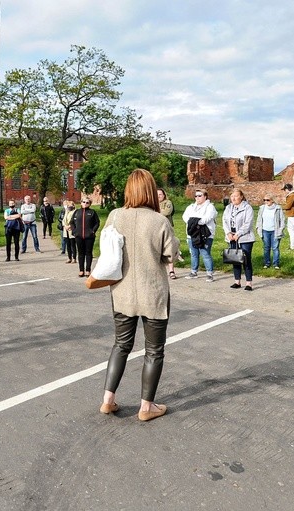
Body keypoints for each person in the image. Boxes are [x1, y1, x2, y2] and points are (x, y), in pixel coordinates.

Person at [99, 169, 179, 422]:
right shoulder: (159, 220)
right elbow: (171, 255)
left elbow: (105, 248)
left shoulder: (114, 216)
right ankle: (146, 406)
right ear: (151, 191)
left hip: (122, 291)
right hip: (153, 292)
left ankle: (107, 400)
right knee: (154, 350)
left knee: (121, 345)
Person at [181, 189, 218, 282]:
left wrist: (195, 221)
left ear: (205, 196)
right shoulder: (191, 207)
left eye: (200, 195)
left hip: (205, 234)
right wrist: (193, 222)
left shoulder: (210, 207)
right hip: (192, 233)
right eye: (196, 196)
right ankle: (194, 271)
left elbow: (207, 218)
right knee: (194, 254)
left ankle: (209, 273)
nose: (197, 197)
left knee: (205, 253)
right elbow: (185, 216)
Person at [223, 188, 255, 291]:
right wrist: (228, 233)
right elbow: (224, 221)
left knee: (245, 259)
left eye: (236, 196)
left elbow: (248, 223)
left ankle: (249, 282)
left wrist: (238, 234)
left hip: (245, 238)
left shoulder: (247, 208)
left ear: (241, 197)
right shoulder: (228, 208)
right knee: (234, 258)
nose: (233, 198)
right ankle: (237, 281)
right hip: (231, 237)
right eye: (232, 196)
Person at [255, 194, 286, 270]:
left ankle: (276, 264)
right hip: (265, 230)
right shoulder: (262, 208)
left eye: (268, 200)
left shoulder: (278, 208)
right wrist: (258, 228)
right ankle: (267, 263)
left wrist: (280, 230)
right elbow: (259, 219)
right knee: (266, 248)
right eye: (264, 200)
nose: (266, 201)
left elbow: (282, 220)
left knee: (275, 248)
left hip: (275, 231)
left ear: (272, 200)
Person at [157, 188, 177, 279]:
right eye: (157, 194)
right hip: (156, 229)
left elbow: (166, 212)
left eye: (160, 194)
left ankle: (171, 271)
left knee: (169, 249)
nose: (158, 196)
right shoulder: (152, 203)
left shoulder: (168, 203)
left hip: (167, 228)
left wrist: (155, 213)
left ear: (164, 195)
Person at [62, 200, 77, 264]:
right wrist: (65, 226)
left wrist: (69, 226)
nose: (69, 206)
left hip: (71, 230)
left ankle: (74, 258)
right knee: (68, 245)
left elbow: (74, 221)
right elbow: (63, 220)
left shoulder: (75, 212)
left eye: (70, 205)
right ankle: (69, 257)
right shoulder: (66, 211)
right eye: (68, 205)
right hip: (66, 230)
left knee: (73, 245)